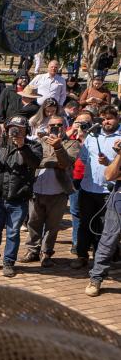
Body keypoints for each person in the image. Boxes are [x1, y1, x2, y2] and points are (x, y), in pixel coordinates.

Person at [0, 117, 43, 277]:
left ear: (26, 130)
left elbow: (35, 163)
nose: (14, 131)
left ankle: (9, 262)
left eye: (19, 129)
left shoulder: (34, 145)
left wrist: (22, 147)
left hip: (17, 196)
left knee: (13, 232)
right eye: (12, 128)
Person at [20, 116, 78, 268]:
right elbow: (34, 162)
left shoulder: (72, 143)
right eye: (53, 125)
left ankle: (46, 253)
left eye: (59, 125)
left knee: (52, 226)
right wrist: (53, 162)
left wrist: (58, 148)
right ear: (47, 127)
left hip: (58, 192)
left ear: (65, 126)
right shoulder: (39, 142)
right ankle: (32, 250)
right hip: (37, 189)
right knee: (33, 223)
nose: (56, 127)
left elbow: (65, 163)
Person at [73, 105, 121, 269]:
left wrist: (108, 163)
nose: (106, 121)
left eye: (110, 118)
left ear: (117, 118)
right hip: (88, 188)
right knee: (84, 223)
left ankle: (102, 259)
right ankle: (81, 255)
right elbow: (84, 159)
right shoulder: (92, 136)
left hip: (111, 191)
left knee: (106, 227)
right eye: (103, 118)